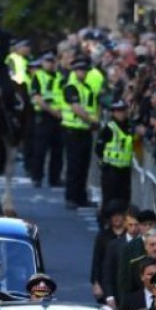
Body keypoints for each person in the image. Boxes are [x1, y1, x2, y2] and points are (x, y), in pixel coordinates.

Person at [62, 58, 98, 210]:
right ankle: (71, 197)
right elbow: (76, 108)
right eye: (80, 70)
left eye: (85, 71)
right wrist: (92, 121)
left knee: (84, 166)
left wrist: (92, 122)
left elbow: (92, 108)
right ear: (75, 71)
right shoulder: (71, 87)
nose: (83, 73)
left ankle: (81, 197)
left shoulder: (87, 88)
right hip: (73, 131)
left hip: (85, 131)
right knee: (74, 165)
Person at [27, 52, 64, 188]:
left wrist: (61, 113)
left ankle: (55, 178)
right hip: (44, 116)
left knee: (58, 150)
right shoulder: (38, 76)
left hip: (59, 118)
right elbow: (37, 98)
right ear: (43, 63)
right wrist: (53, 111)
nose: (50, 64)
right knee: (40, 149)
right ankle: (37, 177)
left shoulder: (61, 77)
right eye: (48, 61)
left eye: (52, 61)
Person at [94, 101, 136, 208]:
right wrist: (105, 162)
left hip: (125, 171)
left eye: (123, 110)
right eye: (118, 111)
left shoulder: (129, 127)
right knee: (109, 201)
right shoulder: (109, 128)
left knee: (124, 201)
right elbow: (98, 148)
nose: (121, 113)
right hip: (111, 170)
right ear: (113, 113)